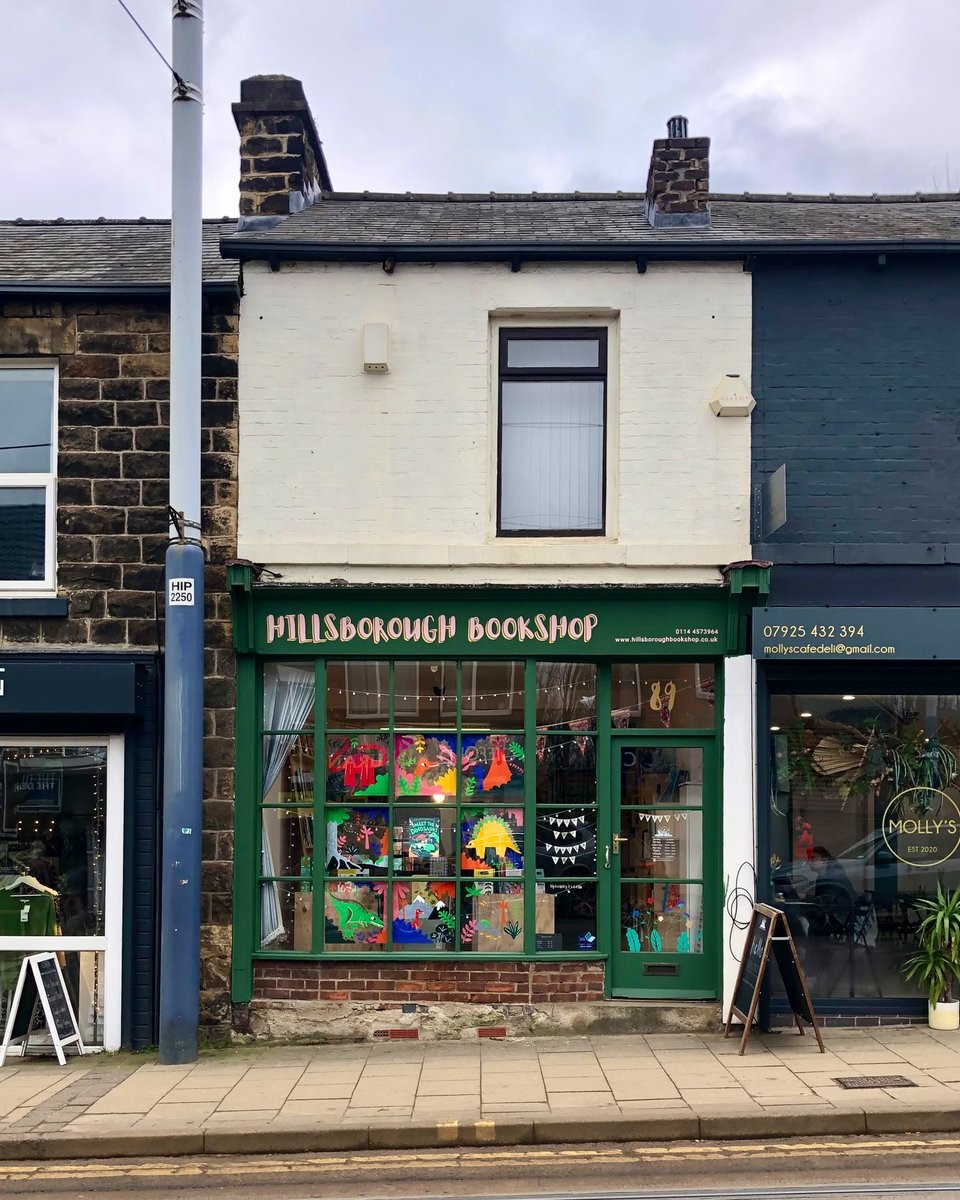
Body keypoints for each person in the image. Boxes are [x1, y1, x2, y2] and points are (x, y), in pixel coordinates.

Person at [807, 845, 856, 937]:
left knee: (810, 921)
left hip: (840, 917)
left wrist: (805, 897)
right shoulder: (825, 876)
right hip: (834, 914)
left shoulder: (834, 877)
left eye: (813, 859)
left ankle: (814, 948)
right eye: (809, 859)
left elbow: (827, 900)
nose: (809, 862)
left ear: (825, 861)